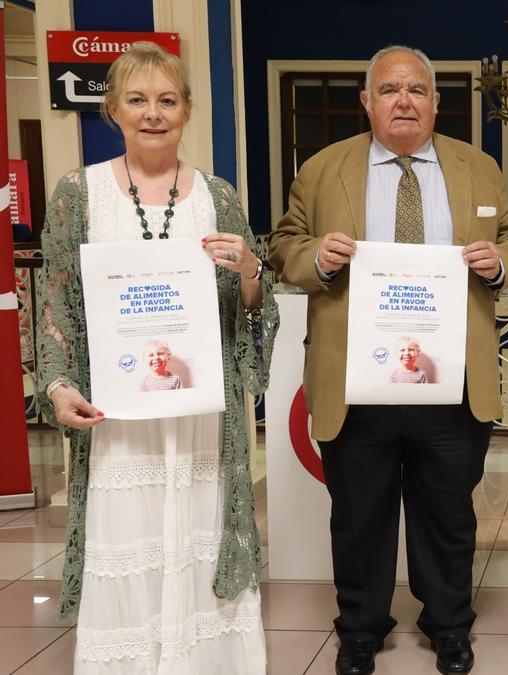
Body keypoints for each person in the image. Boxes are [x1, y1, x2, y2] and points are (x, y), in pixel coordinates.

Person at [267, 45, 508, 675]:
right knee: (359, 517)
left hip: (453, 379)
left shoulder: (480, 167)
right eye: (390, 90)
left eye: (417, 90)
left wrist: (501, 265)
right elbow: (283, 245)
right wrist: (320, 260)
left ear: (438, 102)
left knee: (448, 513)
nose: (404, 100)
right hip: (357, 380)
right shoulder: (324, 169)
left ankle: (448, 625)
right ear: (368, 102)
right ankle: (360, 629)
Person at [36, 41, 276, 673]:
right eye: (137, 100)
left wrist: (252, 268)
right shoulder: (76, 194)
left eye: (166, 100)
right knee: (127, 537)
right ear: (112, 109)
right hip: (120, 415)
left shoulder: (218, 196)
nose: (152, 113)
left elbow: (252, 304)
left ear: (187, 111)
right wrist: (59, 387)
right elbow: (57, 306)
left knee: (200, 538)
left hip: (200, 415)